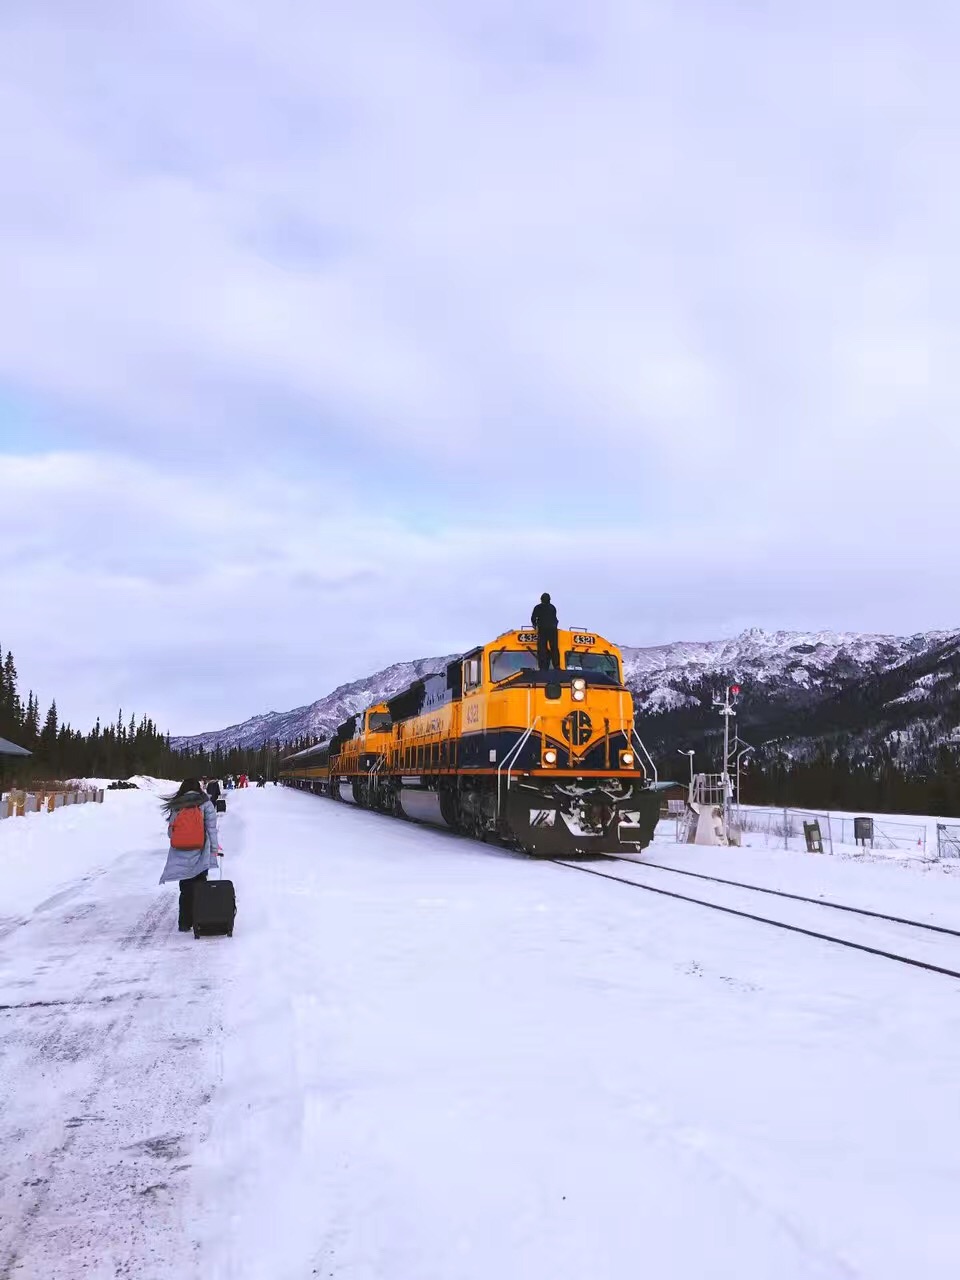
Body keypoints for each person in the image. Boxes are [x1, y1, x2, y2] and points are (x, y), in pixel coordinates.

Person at [158, 778, 221, 932]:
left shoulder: (177, 805)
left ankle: (184, 923)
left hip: (181, 851)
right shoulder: (205, 803)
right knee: (200, 887)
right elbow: (211, 829)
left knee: (185, 889)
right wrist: (214, 848)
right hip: (201, 851)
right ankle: (199, 920)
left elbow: (170, 833)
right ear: (199, 788)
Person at [531, 592, 560, 670]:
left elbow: (533, 618)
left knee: (542, 648)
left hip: (542, 630)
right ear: (549, 600)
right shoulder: (552, 607)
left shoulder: (538, 607)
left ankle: (543, 667)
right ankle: (556, 665)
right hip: (553, 630)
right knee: (554, 648)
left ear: (541, 600)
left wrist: (535, 626)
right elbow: (555, 619)